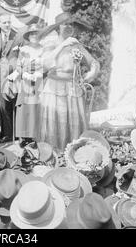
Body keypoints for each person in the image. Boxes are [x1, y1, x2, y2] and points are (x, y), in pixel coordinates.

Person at [37, 12, 99, 152]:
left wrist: (89, 75)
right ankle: (53, 155)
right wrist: (62, 45)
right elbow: (44, 65)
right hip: (54, 88)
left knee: (73, 123)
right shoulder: (51, 43)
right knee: (54, 123)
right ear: (59, 27)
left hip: (72, 88)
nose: (69, 28)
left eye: (71, 25)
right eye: (65, 25)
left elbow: (93, 62)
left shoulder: (76, 45)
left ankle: (73, 154)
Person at [0, 13, 24, 144]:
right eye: (4, 23)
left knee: (17, 105)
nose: (8, 25)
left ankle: (20, 135)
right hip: (0, 78)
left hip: (15, 77)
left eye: (9, 22)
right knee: (4, 107)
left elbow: (22, 57)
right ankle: (8, 135)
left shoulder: (18, 38)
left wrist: (16, 75)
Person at [11, 24, 43, 147]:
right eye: (32, 34)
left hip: (39, 82)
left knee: (36, 108)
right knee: (24, 108)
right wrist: (24, 74)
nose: (34, 36)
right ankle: (23, 136)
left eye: (36, 33)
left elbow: (47, 65)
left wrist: (39, 74)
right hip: (26, 82)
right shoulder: (24, 50)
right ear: (28, 36)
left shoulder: (43, 49)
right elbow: (18, 67)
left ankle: (35, 135)